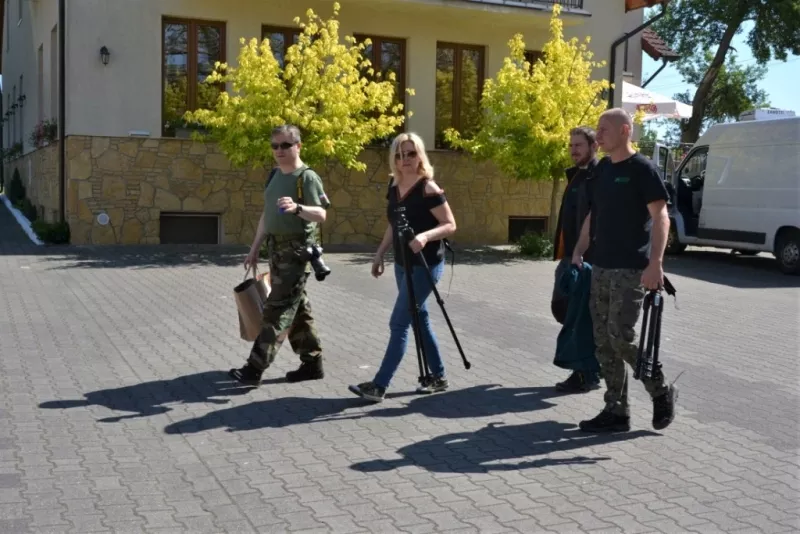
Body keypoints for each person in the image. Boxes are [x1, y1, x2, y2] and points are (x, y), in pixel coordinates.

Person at [571, 108, 677, 433]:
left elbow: (661, 217)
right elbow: (593, 215)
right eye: (598, 129)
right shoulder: (602, 169)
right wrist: (578, 250)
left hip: (631, 269)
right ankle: (616, 411)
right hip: (600, 266)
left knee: (621, 338)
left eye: (604, 129)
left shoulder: (642, 169)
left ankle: (660, 390)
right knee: (603, 341)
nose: (598, 135)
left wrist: (656, 263)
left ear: (625, 131)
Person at [348, 132, 457, 403]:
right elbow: (393, 224)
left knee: (399, 323)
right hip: (402, 264)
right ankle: (439, 377)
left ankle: (379, 385)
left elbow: (450, 225)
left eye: (410, 153)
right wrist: (379, 254)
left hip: (425, 265)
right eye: (399, 155)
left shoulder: (428, 188)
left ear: (420, 155)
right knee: (419, 318)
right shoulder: (394, 186)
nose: (405, 159)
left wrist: (425, 236)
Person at [229, 124, 331, 386]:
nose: (279, 150)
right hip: (276, 249)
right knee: (298, 309)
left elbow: (321, 214)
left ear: (298, 146)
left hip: (297, 252)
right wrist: (254, 248)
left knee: (277, 310)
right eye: (275, 146)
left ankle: (254, 369)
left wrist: (297, 208)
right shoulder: (274, 175)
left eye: (285, 145)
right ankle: (312, 364)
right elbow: (267, 215)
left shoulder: (306, 177)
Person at [550, 126, 601, 393]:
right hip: (570, 256)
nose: (573, 150)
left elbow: (595, 221)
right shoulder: (577, 175)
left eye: (579, 145)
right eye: (571, 146)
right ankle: (586, 370)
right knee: (563, 309)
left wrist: (582, 255)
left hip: (586, 259)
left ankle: (587, 374)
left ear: (594, 146)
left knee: (580, 317)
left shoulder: (598, 176)